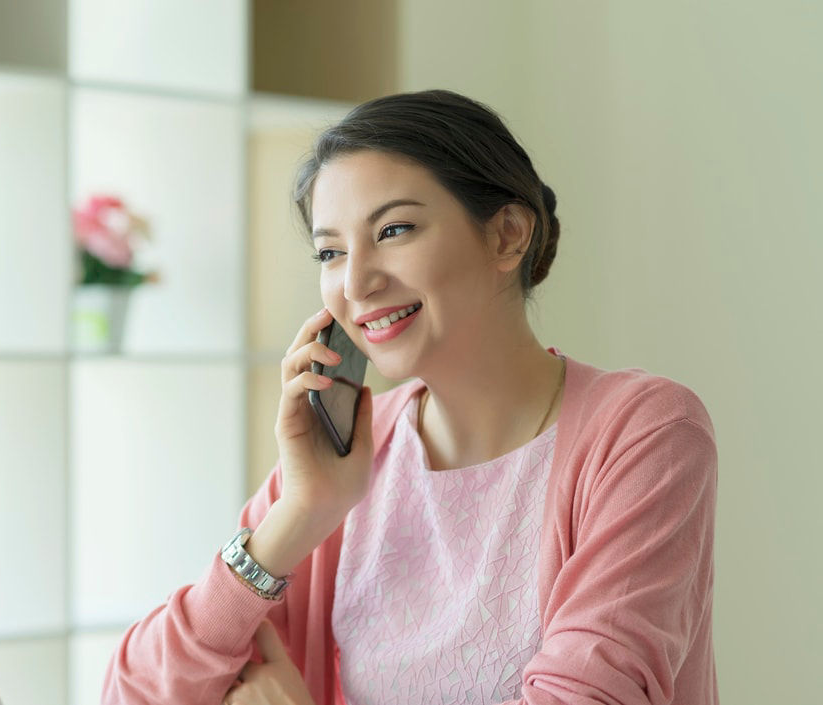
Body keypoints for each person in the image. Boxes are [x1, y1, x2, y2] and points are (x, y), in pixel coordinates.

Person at [100, 89, 718, 705]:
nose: (357, 281)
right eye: (331, 252)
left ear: (507, 235)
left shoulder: (645, 432)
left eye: (394, 230)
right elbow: (134, 694)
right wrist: (299, 515)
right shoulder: (345, 461)